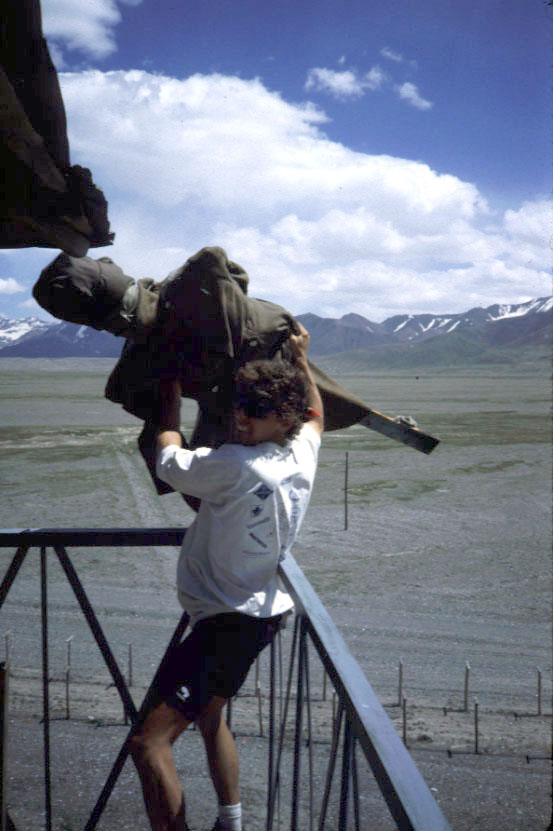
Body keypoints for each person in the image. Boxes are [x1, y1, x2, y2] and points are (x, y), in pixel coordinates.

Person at [129, 323, 324, 831]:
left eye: (254, 411)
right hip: (258, 614)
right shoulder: (301, 453)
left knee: (149, 743)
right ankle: (231, 821)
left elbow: (169, 461)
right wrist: (303, 362)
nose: (239, 417)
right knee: (210, 716)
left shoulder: (235, 464)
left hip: (226, 625)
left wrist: (168, 402)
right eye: (240, 405)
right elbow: (317, 416)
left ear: (282, 416)